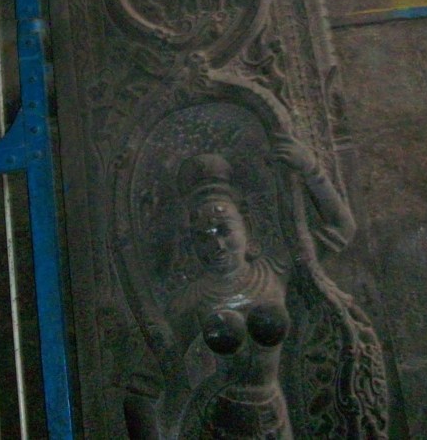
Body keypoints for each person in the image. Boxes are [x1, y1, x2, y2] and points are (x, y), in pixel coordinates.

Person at [147, 137, 356, 439]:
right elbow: (147, 387)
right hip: (218, 422)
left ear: (246, 225)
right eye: (203, 236)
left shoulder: (275, 270)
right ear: (191, 243)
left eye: (224, 230)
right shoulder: (189, 302)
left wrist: (312, 171)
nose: (217, 245)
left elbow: (342, 228)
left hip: (276, 416)